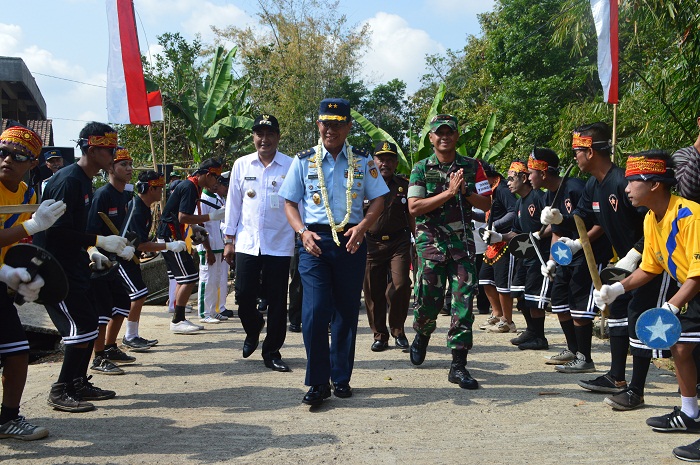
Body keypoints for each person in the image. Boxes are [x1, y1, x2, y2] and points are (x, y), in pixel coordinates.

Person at [279, 98, 389, 405]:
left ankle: (340, 377)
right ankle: (317, 382)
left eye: (338, 124)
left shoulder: (363, 161)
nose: (332, 130)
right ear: (318, 125)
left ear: (348, 127)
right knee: (314, 313)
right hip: (314, 242)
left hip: (352, 240)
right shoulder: (303, 161)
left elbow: (380, 197)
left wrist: (364, 226)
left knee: (345, 312)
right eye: (326, 123)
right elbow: (288, 202)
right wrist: (302, 232)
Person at [594, 151, 700, 446]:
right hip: (693, 289)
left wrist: (671, 305)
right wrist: (617, 289)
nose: (626, 189)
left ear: (655, 184)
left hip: (695, 285)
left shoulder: (691, 216)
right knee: (681, 348)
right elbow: (651, 267)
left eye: (633, 181)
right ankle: (690, 414)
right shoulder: (653, 219)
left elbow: (697, 273)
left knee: (684, 347)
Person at [568, 123, 675, 408]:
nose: (574, 156)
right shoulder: (593, 185)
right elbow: (584, 217)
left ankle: (638, 390)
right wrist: (562, 228)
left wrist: (635, 253)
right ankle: (617, 377)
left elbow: (655, 222)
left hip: (654, 262)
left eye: (577, 150)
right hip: (627, 264)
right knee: (617, 313)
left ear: (590, 151)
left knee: (642, 319)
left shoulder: (622, 183)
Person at [37, 122, 130, 412]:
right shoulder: (69, 181)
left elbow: (73, 229)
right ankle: (60, 389)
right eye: (109, 150)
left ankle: (78, 382)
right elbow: (55, 232)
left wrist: (91, 250)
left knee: (90, 322)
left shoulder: (84, 180)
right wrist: (100, 240)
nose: (113, 156)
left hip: (73, 263)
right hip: (55, 267)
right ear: (93, 149)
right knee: (81, 326)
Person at [407, 113, 492, 390]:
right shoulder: (421, 168)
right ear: (431, 138)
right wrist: (448, 192)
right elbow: (415, 207)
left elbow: (486, 203)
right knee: (428, 300)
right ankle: (422, 333)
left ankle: (458, 365)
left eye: (449, 132)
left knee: (463, 305)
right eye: (439, 133)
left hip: (461, 247)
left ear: (456, 137)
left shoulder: (472, 167)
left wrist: (464, 191)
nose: (444, 137)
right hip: (430, 245)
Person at [0, 125, 65, 439]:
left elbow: (18, 245)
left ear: (32, 164)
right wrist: (32, 223)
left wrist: (20, 274)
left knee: (16, 350)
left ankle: (8, 418)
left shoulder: (27, 193)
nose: (7, 159)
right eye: (2, 151)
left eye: (18, 155)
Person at [224, 114, 294, 372]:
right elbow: (233, 203)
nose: (264, 139)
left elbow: (298, 202)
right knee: (243, 294)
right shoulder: (242, 165)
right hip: (247, 241)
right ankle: (253, 329)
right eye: (259, 134)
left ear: (277, 136)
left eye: (269, 134)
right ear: (253, 137)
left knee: (277, 300)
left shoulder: (291, 165)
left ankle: (272, 351)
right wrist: (229, 239)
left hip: (279, 241)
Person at [531, 147, 611, 371]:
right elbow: (557, 230)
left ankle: (585, 358)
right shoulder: (549, 195)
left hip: (588, 254)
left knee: (579, 309)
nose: (529, 178)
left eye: (531, 172)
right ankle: (573, 350)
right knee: (559, 304)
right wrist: (551, 260)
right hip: (566, 257)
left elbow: (600, 223)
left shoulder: (576, 188)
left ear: (543, 172)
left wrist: (580, 243)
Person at [85, 147, 140, 375]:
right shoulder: (102, 195)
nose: (128, 169)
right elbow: (89, 230)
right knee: (102, 310)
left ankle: (110, 346)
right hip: (99, 259)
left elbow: (129, 229)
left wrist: (130, 246)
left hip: (118, 257)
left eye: (129, 164)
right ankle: (98, 357)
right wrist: (93, 252)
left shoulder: (127, 196)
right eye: (122, 165)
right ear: (110, 168)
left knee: (121, 303)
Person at [157, 158, 225, 334]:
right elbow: (183, 217)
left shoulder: (193, 186)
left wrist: (195, 227)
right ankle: (178, 320)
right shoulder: (189, 187)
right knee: (190, 277)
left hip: (172, 235)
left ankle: (179, 318)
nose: (216, 182)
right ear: (209, 175)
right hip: (170, 236)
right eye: (216, 178)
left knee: (184, 277)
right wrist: (210, 218)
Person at [491, 158, 551, 350]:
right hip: (523, 256)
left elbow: (552, 223)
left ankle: (539, 336)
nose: (508, 182)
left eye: (511, 178)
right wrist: (498, 236)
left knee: (534, 298)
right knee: (519, 293)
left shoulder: (539, 198)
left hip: (539, 256)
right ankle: (531, 330)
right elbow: (515, 232)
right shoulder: (519, 204)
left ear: (523, 178)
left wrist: (538, 235)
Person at [362, 141, 414, 352]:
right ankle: (380, 335)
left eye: (390, 159)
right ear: (373, 161)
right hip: (370, 243)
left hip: (398, 242)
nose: (385, 163)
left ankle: (398, 330)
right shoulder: (363, 184)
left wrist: (416, 239)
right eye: (381, 158)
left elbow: (411, 214)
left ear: (396, 162)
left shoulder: (405, 184)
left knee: (401, 285)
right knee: (373, 291)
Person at [120, 170, 174, 351]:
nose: (161, 192)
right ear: (151, 189)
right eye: (159, 188)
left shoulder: (143, 207)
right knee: (139, 293)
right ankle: (129, 336)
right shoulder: (136, 208)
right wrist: (168, 246)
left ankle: (131, 335)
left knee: (138, 294)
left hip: (130, 257)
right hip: (120, 258)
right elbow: (140, 244)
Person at [478, 162, 517, 333]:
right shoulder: (489, 191)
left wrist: (495, 225)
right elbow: (487, 213)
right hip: (492, 241)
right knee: (485, 279)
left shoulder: (501, 188)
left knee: (502, 284)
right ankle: (497, 313)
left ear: (488, 174)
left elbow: (513, 211)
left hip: (505, 240)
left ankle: (507, 320)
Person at [197, 172, 228, 324]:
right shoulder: (202, 200)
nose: (217, 184)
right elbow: (199, 226)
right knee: (207, 280)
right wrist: (207, 249)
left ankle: (213, 310)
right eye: (215, 180)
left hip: (218, 245)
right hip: (207, 247)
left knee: (216, 280)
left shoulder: (215, 198)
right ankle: (204, 313)